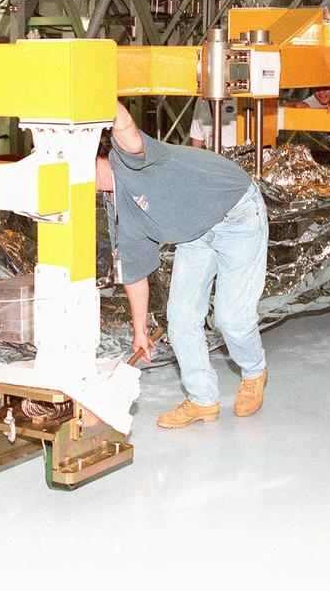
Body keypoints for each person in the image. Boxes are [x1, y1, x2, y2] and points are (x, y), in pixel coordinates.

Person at [98, 102, 268, 428]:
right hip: (195, 235)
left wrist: (94, 89)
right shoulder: (116, 210)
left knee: (231, 318)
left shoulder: (129, 157)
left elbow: (124, 124)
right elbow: (133, 273)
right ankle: (203, 399)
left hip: (238, 212)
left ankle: (254, 371)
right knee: (179, 318)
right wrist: (139, 330)